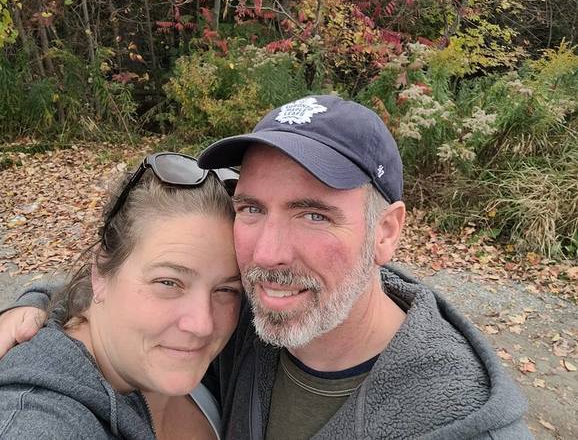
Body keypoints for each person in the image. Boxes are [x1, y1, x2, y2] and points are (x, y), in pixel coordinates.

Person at [0, 96, 531, 439]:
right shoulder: (247, 320)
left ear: (385, 232)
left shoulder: (462, 421)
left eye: (314, 214)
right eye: (252, 208)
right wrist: (37, 310)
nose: (268, 254)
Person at [0, 152, 242, 439]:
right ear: (100, 271)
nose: (203, 325)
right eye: (168, 282)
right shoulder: (36, 421)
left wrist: (38, 298)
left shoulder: (197, 356)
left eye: (226, 289)